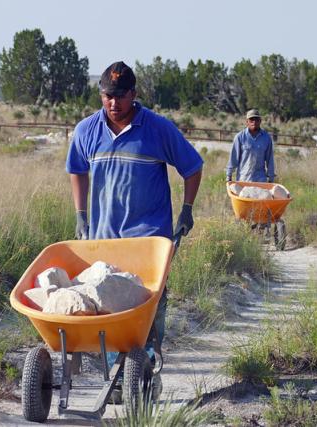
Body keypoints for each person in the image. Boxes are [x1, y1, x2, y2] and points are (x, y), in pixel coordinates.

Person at [66, 61, 203, 398]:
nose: (114, 104)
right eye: (107, 96)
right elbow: (76, 170)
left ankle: (147, 365)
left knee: (148, 305)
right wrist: (80, 214)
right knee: (109, 308)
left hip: (150, 241)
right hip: (105, 240)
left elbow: (192, 166)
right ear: (101, 95)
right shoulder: (87, 130)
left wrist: (186, 209)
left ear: (134, 94)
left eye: (121, 96)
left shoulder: (157, 128)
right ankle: (115, 378)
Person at [225, 109, 275, 183]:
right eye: (251, 119)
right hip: (243, 180)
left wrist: (271, 177)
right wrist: (229, 175)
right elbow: (233, 158)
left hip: (260, 181)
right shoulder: (240, 137)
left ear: (260, 121)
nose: (254, 122)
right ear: (247, 122)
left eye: (256, 119)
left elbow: (270, 159)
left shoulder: (266, 138)